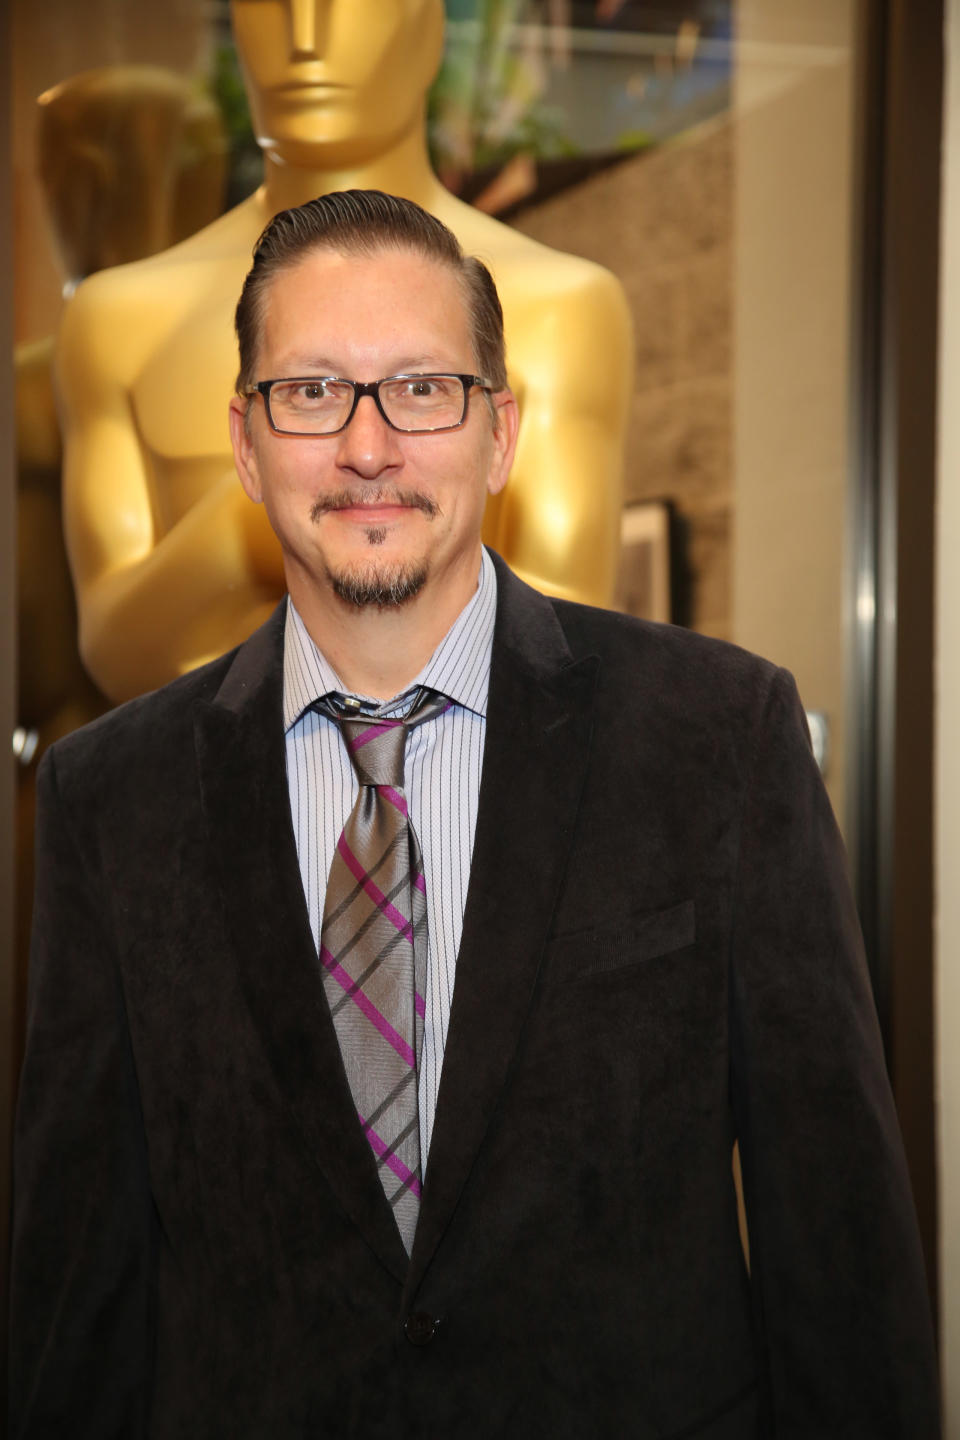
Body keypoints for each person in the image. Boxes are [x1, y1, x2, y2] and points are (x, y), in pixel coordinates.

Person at [10, 190, 940, 1439]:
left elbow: (840, 1259)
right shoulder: (105, 800)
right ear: (244, 442)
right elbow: (79, 1304)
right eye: (311, 392)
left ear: (501, 433)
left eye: (422, 389)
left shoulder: (720, 740)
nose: (368, 446)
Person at [57, 0, 632, 707]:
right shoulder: (120, 319)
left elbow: (569, 639)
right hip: (212, 788)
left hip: (479, 786)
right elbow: (114, 652)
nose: (306, 35)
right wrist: (272, 505)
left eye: (422, 390)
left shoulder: (560, 305)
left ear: (433, 24)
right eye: (271, 3)